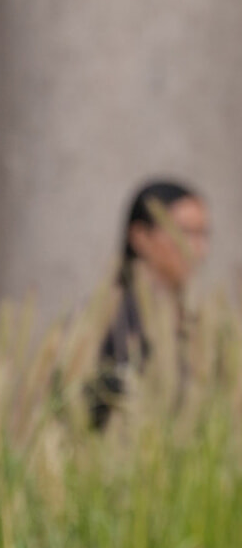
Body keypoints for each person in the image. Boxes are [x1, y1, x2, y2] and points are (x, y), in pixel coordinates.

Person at [89, 178, 210, 428]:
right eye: (185, 232)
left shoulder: (205, 325)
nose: (199, 249)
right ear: (140, 236)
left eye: (203, 234)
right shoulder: (107, 323)